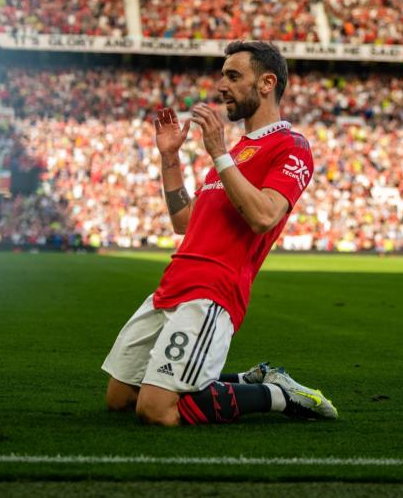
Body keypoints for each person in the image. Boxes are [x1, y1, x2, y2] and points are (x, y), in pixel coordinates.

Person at [102, 41, 337, 426]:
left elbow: (264, 216)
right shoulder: (237, 153)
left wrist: (219, 154)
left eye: (233, 76)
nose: (220, 85)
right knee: (120, 398)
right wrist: (170, 159)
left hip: (212, 291)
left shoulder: (291, 147)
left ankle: (278, 395)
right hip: (172, 285)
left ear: (266, 83)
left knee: (156, 409)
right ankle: (249, 380)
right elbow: (184, 223)